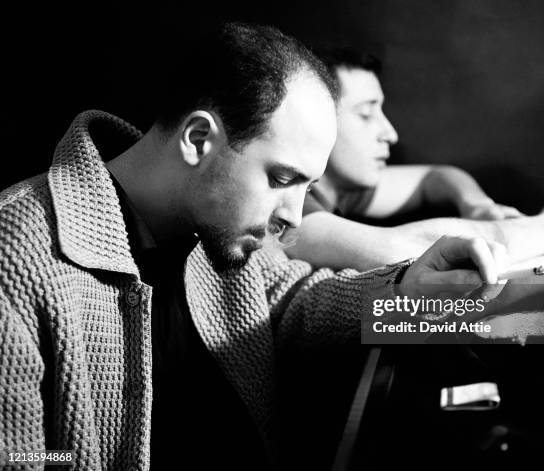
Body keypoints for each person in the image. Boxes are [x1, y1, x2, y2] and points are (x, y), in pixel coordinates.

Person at [0, 24, 506, 470]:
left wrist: (410, 293)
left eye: (307, 187)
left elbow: (291, 306)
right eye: (282, 178)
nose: (292, 214)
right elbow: (19, 456)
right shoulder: (16, 255)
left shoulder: (214, 230)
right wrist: (68, 456)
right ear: (198, 139)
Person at [285, 47, 544, 271]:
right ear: (320, 120)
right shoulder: (289, 210)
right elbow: (398, 251)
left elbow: (437, 177)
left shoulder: (337, 187)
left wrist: (477, 204)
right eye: (366, 114)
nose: (390, 133)